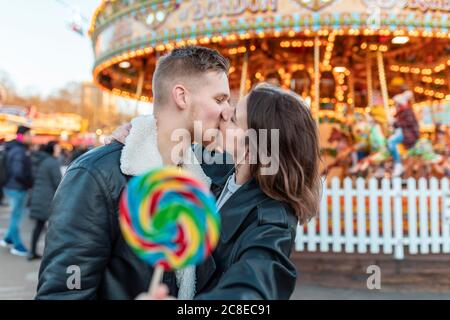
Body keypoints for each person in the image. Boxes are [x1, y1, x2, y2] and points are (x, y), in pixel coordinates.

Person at [36, 46, 232, 300]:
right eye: (219, 99)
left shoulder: (201, 178)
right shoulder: (95, 176)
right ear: (182, 97)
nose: (228, 111)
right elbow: (64, 291)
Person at [117, 84, 322, 300]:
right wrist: (137, 132)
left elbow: (251, 293)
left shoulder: (271, 222)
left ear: (253, 150)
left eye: (233, 118)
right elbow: (172, 144)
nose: (224, 112)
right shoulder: (218, 170)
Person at [0, 126, 33, 257]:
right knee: (17, 218)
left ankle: (7, 239)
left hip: (11, 186)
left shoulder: (13, 148)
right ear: (22, 135)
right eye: (29, 135)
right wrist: (29, 183)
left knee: (15, 215)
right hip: (17, 188)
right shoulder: (19, 150)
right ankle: (18, 246)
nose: (31, 137)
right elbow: (18, 172)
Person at [28, 141, 62, 261]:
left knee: (39, 226)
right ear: (52, 149)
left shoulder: (42, 160)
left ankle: (32, 252)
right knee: (54, 227)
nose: (59, 150)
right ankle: (53, 255)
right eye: (57, 148)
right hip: (47, 199)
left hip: (39, 196)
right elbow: (58, 182)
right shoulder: (52, 162)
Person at [387, 90, 419, 177]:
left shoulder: (407, 111)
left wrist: (394, 123)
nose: (395, 105)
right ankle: (394, 161)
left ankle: (397, 163)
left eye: (396, 104)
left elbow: (407, 123)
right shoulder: (401, 112)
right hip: (405, 133)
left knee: (391, 141)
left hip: (408, 135)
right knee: (389, 142)